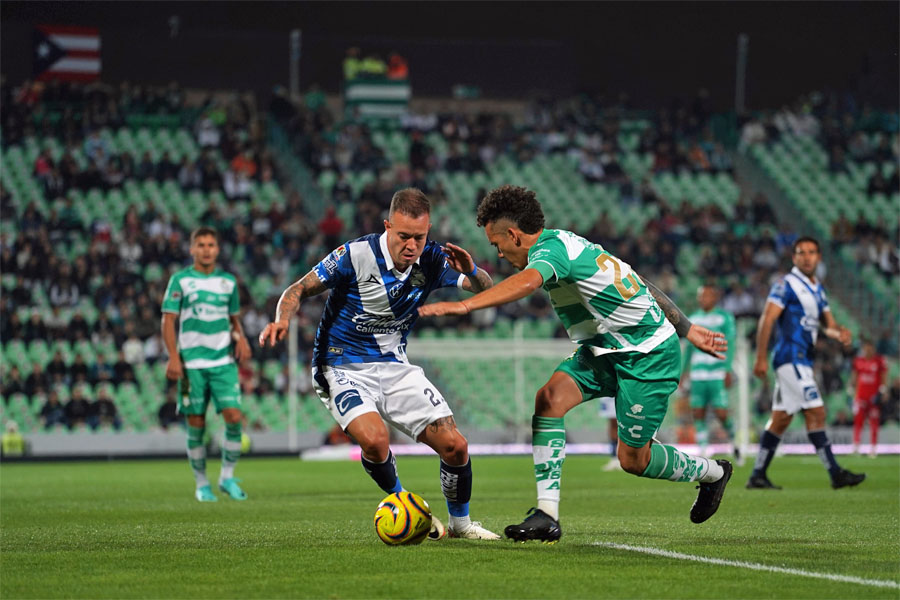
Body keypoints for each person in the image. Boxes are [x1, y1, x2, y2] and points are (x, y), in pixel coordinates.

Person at [418, 185, 732, 543]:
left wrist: (464, 306)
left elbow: (527, 282)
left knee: (633, 460)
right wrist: (688, 327)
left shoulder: (551, 252)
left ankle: (712, 473)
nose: (500, 253)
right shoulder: (567, 244)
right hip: (602, 349)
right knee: (548, 399)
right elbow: (639, 281)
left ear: (513, 235)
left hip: (647, 354)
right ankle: (547, 515)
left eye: (496, 244)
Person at [259, 188, 499, 540]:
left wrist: (473, 271)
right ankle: (403, 503)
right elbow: (297, 289)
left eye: (420, 236)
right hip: (340, 366)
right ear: (387, 226)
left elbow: (486, 289)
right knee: (375, 440)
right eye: (403, 236)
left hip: (394, 367)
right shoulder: (355, 255)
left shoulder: (433, 259)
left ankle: (460, 526)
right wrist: (282, 320)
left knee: (456, 446)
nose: (412, 245)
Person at [747, 236, 865, 490]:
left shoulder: (817, 288)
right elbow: (767, 319)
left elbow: (828, 325)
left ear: (819, 257)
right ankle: (835, 473)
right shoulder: (785, 284)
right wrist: (760, 358)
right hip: (790, 357)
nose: (807, 257)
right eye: (801, 252)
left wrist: (839, 333)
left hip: (802, 359)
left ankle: (757, 474)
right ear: (794, 257)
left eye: (812, 252)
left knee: (781, 419)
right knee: (816, 411)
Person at [162, 226, 252, 502]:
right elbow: (168, 320)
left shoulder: (228, 282)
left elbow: (232, 318)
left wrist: (240, 337)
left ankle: (226, 477)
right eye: (200, 244)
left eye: (211, 244)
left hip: (222, 361)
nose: (206, 249)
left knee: (234, 417)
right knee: (196, 423)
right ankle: (201, 484)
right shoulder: (180, 281)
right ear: (192, 249)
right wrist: (174, 357)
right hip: (192, 364)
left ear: (217, 249)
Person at [681, 285, 737, 458]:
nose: (702, 299)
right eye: (700, 296)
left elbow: (731, 344)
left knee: (721, 413)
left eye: (706, 296)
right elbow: (689, 349)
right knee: (698, 411)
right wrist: (684, 372)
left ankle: (734, 443)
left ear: (714, 297)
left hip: (717, 372)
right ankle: (703, 449)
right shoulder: (693, 319)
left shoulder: (724, 318)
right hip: (698, 374)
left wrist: (728, 369)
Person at [849, 339, 887, 457]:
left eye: (870, 348)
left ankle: (873, 448)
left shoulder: (879, 361)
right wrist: (851, 386)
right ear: (863, 349)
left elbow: (884, 375)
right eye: (866, 348)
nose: (868, 350)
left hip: (873, 398)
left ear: (873, 349)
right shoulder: (858, 361)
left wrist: (883, 389)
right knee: (858, 422)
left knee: (874, 423)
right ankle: (856, 447)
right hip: (860, 397)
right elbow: (855, 375)